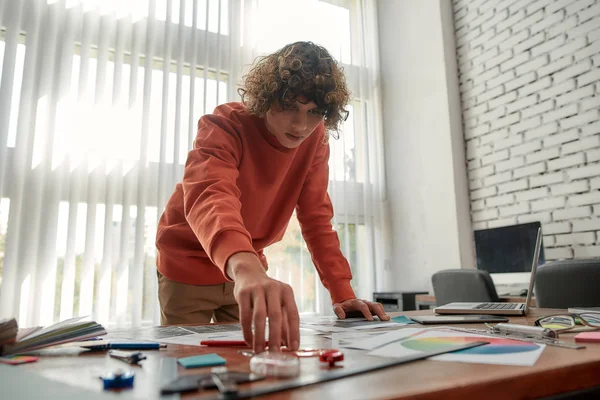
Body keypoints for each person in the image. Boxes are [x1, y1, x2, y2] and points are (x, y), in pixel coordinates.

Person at [156, 41, 389, 354]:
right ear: (267, 97)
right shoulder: (223, 125)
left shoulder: (315, 142)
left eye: (314, 112)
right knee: (188, 369)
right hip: (188, 265)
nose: (301, 125)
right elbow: (210, 195)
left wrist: (342, 292)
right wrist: (246, 268)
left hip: (250, 270)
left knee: (248, 365)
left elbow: (317, 219)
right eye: (290, 106)